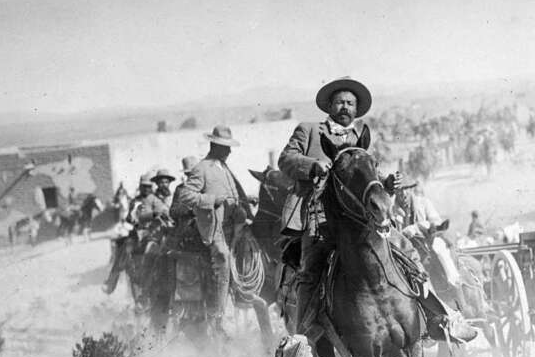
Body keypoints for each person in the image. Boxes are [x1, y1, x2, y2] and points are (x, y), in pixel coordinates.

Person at [278, 77, 474, 343]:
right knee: (311, 269)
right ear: (329, 106)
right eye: (339, 102)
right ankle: (302, 341)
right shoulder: (310, 131)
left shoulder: (361, 137)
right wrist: (313, 166)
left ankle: (440, 317)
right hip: (320, 216)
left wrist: (387, 184)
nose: (345, 107)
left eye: (350, 103)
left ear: (356, 110)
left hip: (359, 219)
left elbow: (369, 175)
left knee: (407, 250)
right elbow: (285, 159)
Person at [170, 125, 251, 335]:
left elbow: (232, 195)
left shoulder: (225, 168)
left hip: (234, 226)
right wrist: (211, 200)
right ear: (214, 146)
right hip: (214, 229)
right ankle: (217, 315)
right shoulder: (202, 168)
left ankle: (247, 300)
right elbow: (186, 196)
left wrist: (245, 200)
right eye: (225, 147)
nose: (229, 151)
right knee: (223, 259)